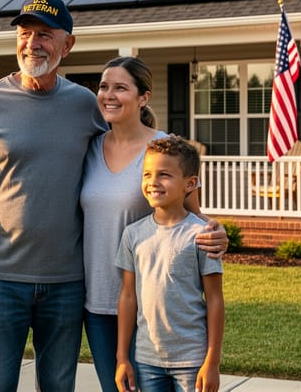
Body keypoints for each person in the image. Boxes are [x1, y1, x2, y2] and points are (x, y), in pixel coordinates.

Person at [0, 0, 106, 391]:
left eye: (45, 35)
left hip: (67, 282)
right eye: (24, 32)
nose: (32, 43)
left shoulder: (85, 106)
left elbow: (127, 162)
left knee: (57, 386)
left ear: (67, 45)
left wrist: (193, 215)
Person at [80, 56, 224, 392]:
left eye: (120, 87)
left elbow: (192, 216)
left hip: (154, 309)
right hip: (98, 301)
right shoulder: (89, 147)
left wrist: (216, 233)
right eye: (103, 87)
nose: (108, 95)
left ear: (143, 97)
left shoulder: (162, 148)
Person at [115, 135, 224, 392]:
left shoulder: (202, 235)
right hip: (147, 359)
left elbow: (215, 300)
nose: (153, 182)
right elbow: (128, 296)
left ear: (190, 183)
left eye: (164, 175)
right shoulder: (133, 234)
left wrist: (212, 362)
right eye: (147, 174)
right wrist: (122, 358)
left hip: (192, 361)